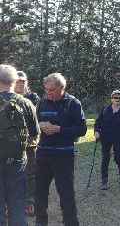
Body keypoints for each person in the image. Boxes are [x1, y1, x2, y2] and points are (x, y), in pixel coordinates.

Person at [35, 73, 87, 226]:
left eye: (51, 90)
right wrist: (41, 126)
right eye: (46, 89)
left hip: (63, 156)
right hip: (43, 153)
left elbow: (82, 129)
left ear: (62, 88)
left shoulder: (72, 104)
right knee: (39, 191)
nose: (48, 93)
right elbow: (36, 122)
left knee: (65, 192)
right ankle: (40, 222)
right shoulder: (43, 102)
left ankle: (71, 222)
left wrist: (58, 129)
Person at [0, 64, 39, 226]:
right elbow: (35, 133)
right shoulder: (26, 103)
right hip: (17, 161)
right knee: (17, 207)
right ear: (14, 81)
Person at [94, 90, 120, 190]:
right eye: (115, 98)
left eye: (119, 98)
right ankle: (104, 180)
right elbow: (98, 122)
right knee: (105, 158)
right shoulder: (105, 109)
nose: (117, 100)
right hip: (106, 137)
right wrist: (96, 131)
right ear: (111, 99)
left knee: (118, 158)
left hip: (118, 138)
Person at [15, 70, 40, 217]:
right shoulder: (5, 97)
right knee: (11, 173)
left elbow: (37, 120)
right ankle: (9, 202)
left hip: (30, 143)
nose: (20, 83)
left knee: (30, 172)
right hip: (9, 144)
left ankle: (28, 202)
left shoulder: (33, 98)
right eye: (18, 81)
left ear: (27, 82)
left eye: (23, 81)